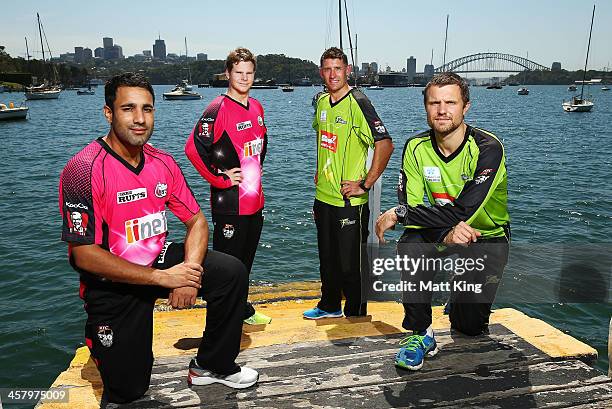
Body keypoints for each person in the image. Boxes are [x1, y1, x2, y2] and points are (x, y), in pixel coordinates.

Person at [59, 73, 258, 404]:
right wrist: (161, 278)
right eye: (128, 109)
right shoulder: (84, 169)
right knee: (130, 391)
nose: (139, 119)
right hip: (113, 283)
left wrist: (189, 274)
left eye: (147, 109)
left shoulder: (162, 162)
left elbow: (196, 221)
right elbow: (84, 254)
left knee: (231, 272)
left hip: (158, 261)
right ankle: (107, 350)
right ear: (109, 113)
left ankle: (212, 365)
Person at [375, 72, 510, 371]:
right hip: (442, 232)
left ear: (466, 107)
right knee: (410, 245)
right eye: (434, 102)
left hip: (486, 237)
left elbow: (462, 211)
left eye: (451, 102)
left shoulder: (488, 149)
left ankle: (459, 298)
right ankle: (421, 333)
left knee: (468, 328)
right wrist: (441, 231)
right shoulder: (415, 147)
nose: (442, 110)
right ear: (425, 107)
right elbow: (410, 205)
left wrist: (400, 215)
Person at [303, 47, 394, 319]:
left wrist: (365, 184)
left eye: (338, 69)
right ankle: (329, 305)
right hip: (324, 197)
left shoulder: (359, 102)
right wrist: (319, 174)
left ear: (348, 70)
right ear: (321, 72)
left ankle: (356, 313)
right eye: (328, 69)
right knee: (327, 259)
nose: (333, 74)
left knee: (350, 264)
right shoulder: (320, 101)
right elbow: (323, 140)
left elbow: (385, 144)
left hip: (349, 201)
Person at [185, 47, 271, 325]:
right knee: (226, 269)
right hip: (230, 204)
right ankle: (221, 320)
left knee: (245, 264)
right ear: (228, 73)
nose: (244, 78)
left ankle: (241, 310)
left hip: (254, 201)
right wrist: (219, 179)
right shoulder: (217, 108)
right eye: (238, 73)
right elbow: (193, 149)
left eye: (249, 73)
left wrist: (257, 182)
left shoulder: (257, 106)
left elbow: (258, 151)